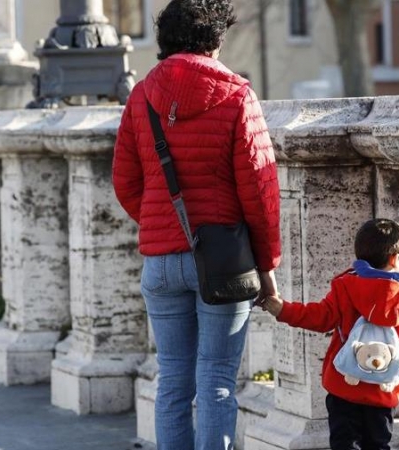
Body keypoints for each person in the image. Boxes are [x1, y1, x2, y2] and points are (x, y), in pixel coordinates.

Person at [111, 1, 280, 449]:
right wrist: (267, 264)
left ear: (164, 40)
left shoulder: (141, 95)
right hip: (223, 262)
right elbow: (259, 190)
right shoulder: (237, 95)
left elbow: (125, 182)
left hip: (161, 264)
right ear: (217, 40)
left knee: (172, 382)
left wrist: (161, 228)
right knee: (217, 381)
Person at [259, 219, 399, 450]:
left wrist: (282, 309)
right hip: (383, 392)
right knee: (378, 444)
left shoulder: (346, 287)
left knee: (343, 443)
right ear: (395, 259)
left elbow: (318, 317)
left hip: (343, 387)